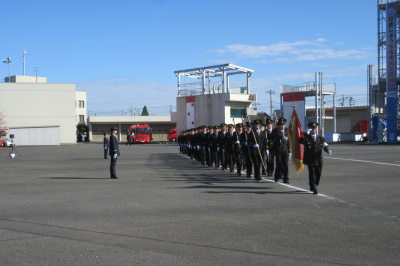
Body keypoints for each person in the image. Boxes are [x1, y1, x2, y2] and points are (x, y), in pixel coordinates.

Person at [299, 122, 331, 194]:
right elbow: (300, 141)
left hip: (318, 159)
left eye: (315, 128)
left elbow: (325, 145)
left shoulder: (320, 138)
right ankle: (314, 187)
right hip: (310, 159)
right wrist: (305, 134)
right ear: (309, 129)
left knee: (318, 173)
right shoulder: (307, 137)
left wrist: (328, 149)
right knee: (312, 174)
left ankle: (313, 184)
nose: (314, 130)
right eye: (312, 129)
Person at [271, 118, 291, 183]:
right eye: (280, 125)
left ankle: (286, 178)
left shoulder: (287, 131)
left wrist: (289, 150)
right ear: (278, 126)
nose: (282, 126)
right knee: (279, 164)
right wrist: (281, 136)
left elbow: (288, 141)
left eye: (283, 125)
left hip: (285, 149)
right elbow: (274, 136)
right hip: (278, 150)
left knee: (286, 164)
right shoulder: (275, 131)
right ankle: (277, 177)